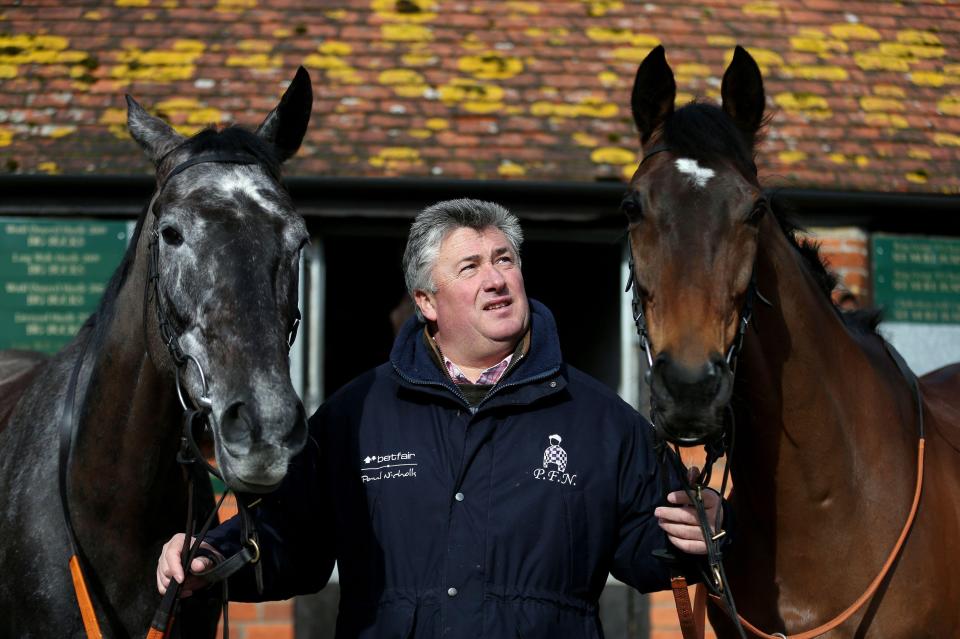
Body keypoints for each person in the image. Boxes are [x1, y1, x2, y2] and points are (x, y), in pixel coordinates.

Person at [157, 198, 724, 637]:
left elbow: (656, 549)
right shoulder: (356, 416)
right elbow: (289, 540)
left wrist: (707, 532)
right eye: (471, 266)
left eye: (505, 260)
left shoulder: (603, 422)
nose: (496, 279)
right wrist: (212, 558)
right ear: (427, 301)